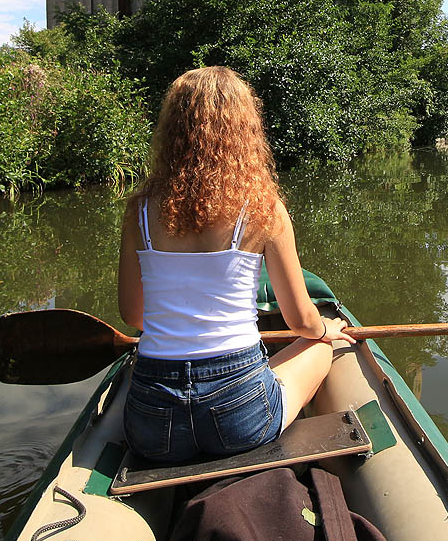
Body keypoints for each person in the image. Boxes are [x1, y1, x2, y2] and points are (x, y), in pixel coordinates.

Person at [117, 66, 355, 464]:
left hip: (153, 424)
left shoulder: (139, 210)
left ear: (171, 130)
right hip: (238, 418)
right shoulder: (264, 209)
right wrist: (325, 329)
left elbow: (134, 315)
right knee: (317, 347)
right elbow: (300, 321)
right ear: (245, 130)